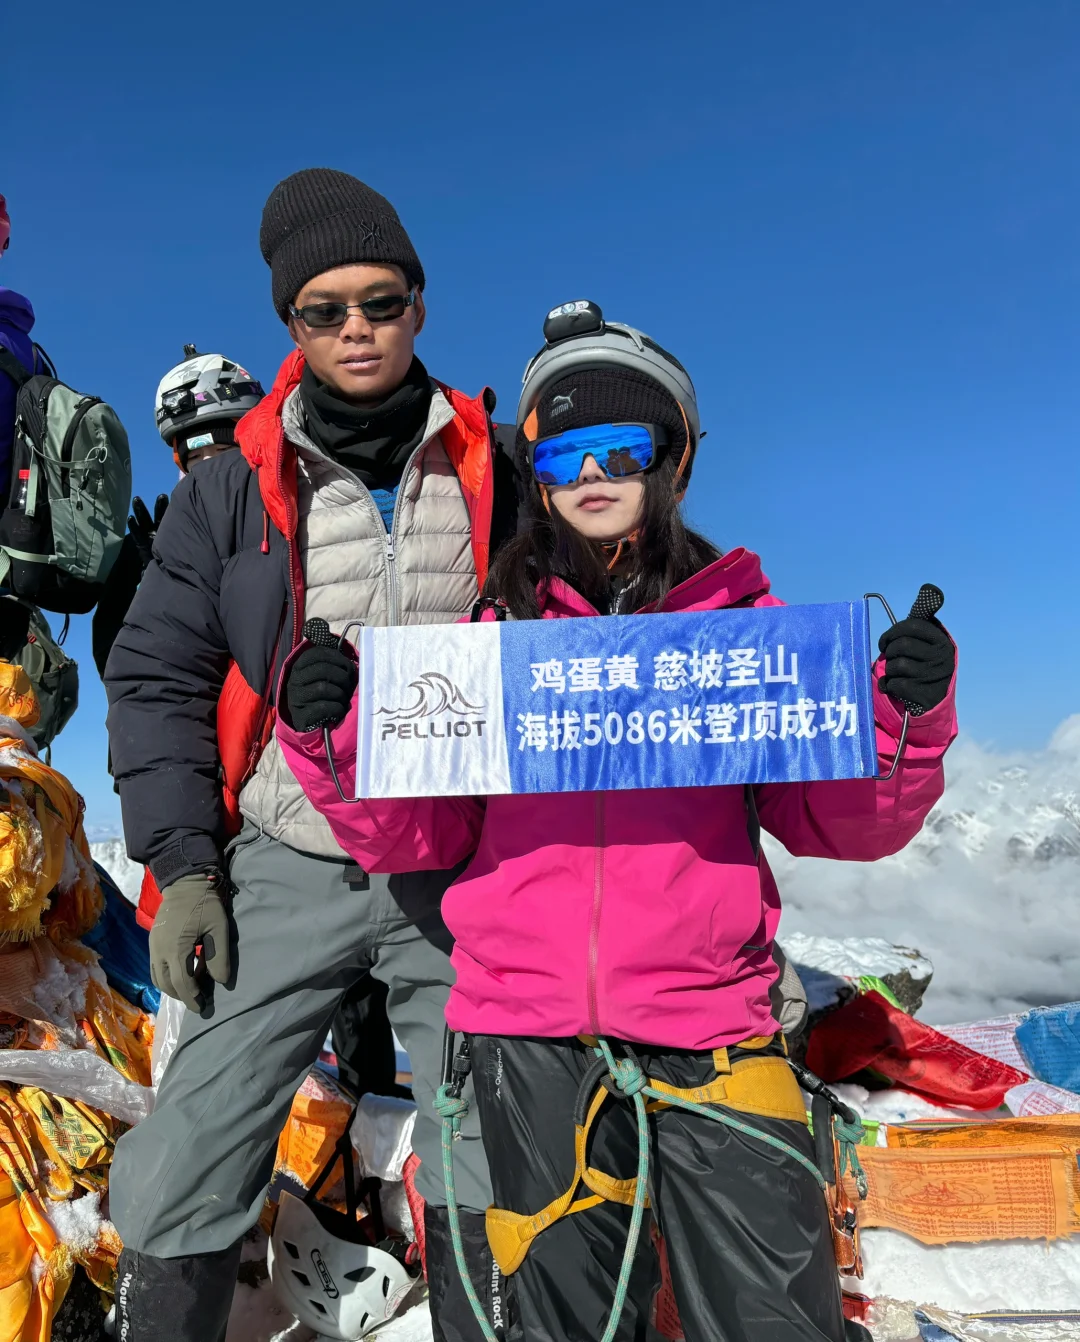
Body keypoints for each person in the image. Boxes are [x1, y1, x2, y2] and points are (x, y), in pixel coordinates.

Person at [275, 302, 959, 1342]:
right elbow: (414, 835)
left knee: (776, 1320)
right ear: (538, 472)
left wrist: (902, 720)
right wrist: (331, 736)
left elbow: (843, 824)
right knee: (562, 1323)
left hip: (713, 1031)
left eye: (623, 448)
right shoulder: (491, 639)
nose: (591, 476)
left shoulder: (745, 638)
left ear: (673, 461)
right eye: (563, 454)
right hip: (529, 1039)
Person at [104, 169, 521, 1342]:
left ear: (419, 306)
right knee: (191, 1147)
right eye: (323, 310)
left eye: (379, 303)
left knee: (491, 1140)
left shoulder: (492, 466)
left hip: (456, 861)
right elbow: (156, 676)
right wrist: (187, 865)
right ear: (290, 323)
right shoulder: (233, 487)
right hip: (295, 851)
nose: (355, 330)